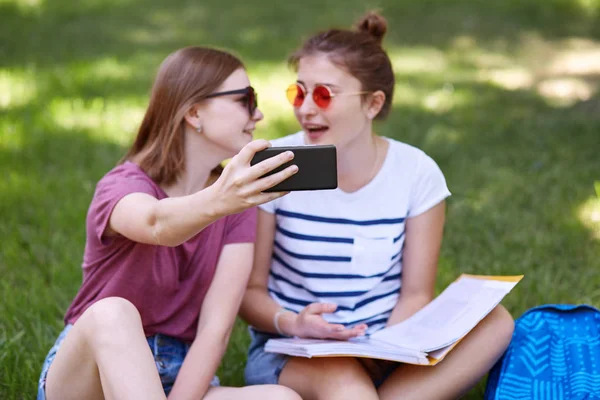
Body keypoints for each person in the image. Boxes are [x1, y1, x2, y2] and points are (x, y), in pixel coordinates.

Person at [239, 11, 515, 400]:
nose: (305, 109)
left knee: (497, 322)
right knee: (345, 382)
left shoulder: (417, 172)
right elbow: (250, 293)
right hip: (298, 350)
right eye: (299, 93)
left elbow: (415, 294)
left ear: (373, 104)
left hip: (384, 345)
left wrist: (387, 347)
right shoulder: (276, 168)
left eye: (323, 95)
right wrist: (292, 322)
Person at [37, 46, 302, 400]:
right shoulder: (122, 185)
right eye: (245, 99)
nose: (259, 114)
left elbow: (215, 328)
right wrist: (222, 200)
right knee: (112, 313)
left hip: (176, 376)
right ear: (194, 112)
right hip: (91, 373)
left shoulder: (236, 204)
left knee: (280, 398)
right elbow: (157, 225)